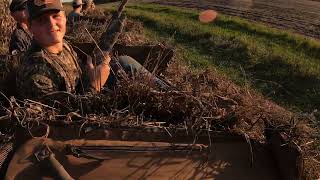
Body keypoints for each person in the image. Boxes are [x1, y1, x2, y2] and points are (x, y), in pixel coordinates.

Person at [16, 0, 167, 101]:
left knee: (122, 62)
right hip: (83, 110)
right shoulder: (36, 71)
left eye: (56, 16)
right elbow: (63, 120)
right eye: (42, 20)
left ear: (64, 17)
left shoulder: (64, 45)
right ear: (30, 27)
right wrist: (96, 84)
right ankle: (168, 95)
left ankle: (168, 94)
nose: (52, 24)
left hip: (84, 92)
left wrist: (92, 71)